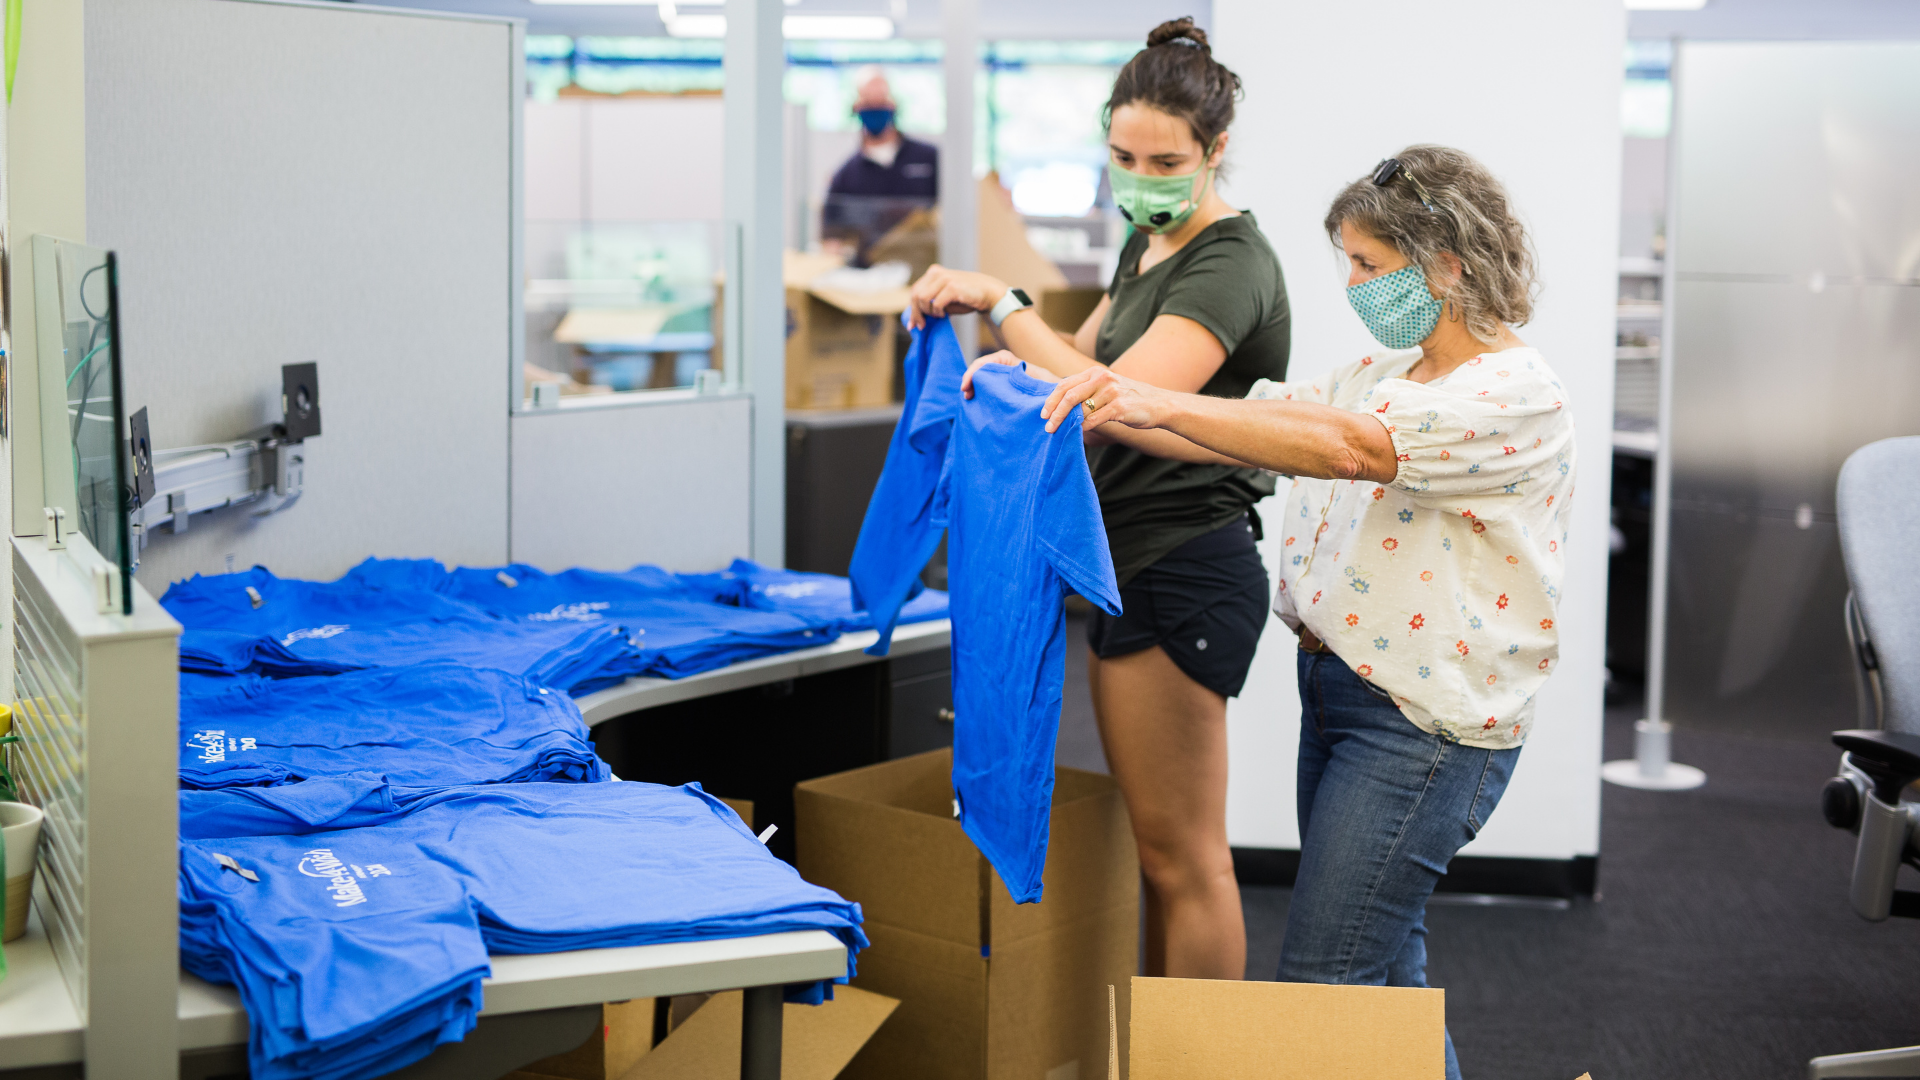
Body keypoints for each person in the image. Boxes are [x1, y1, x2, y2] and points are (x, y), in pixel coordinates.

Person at [1032, 145, 1575, 1080]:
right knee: (1385, 976)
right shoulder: (1386, 373)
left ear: (1446, 260)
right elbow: (1254, 418)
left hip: (1422, 725)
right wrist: (1072, 390)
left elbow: (1346, 448)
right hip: (1344, 695)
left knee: (1327, 983)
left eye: (1370, 264)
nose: (1355, 284)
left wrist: (1144, 396)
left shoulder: (1513, 394)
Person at [911, 17, 1290, 982]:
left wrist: (1001, 303)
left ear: (1216, 152)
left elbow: (1118, 404)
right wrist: (1005, 352)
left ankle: (1192, 1059)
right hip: (1138, 564)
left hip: (1184, 567)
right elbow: (1084, 360)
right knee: (1162, 860)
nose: (1140, 177)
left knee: (1185, 861)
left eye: (1164, 160)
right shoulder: (1149, 245)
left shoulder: (1229, 263)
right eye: (1122, 155)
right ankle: (1165, 1049)